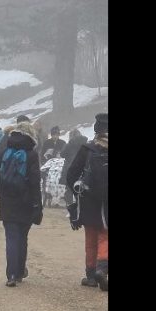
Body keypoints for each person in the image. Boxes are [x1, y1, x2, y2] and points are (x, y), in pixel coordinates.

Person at [0, 121, 42, 286]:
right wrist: (37, 204)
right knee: (22, 237)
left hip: (8, 202)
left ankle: (11, 275)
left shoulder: (6, 150)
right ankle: (20, 271)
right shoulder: (32, 154)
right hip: (26, 202)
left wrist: (4, 193)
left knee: (11, 238)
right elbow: (35, 182)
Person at [65, 113, 108, 290]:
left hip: (89, 200)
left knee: (90, 237)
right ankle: (102, 269)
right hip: (107, 203)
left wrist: (78, 191)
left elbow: (71, 174)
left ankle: (90, 275)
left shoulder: (87, 148)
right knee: (105, 235)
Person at [59, 129, 87, 208]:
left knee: (69, 187)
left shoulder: (69, 144)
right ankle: (80, 205)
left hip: (70, 167)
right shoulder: (85, 143)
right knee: (80, 186)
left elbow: (62, 154)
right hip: (82, 168)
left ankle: (70, 205)